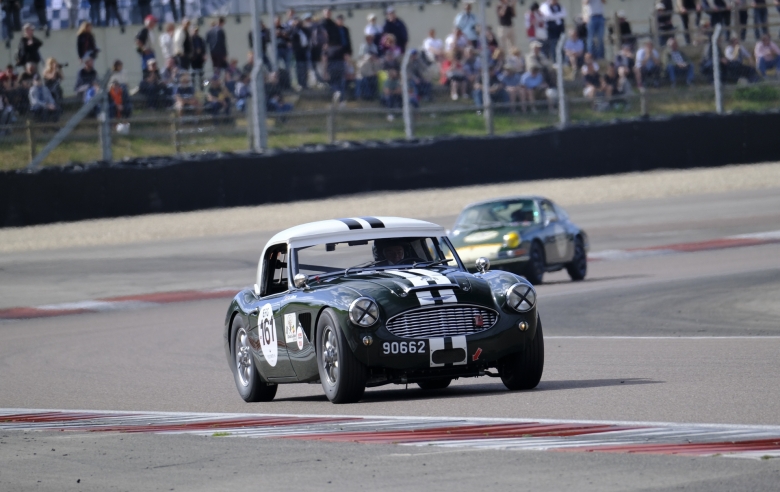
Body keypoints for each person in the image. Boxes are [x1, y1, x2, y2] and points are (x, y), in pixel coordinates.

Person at [356, 34, 380, 99]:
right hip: (364, 67)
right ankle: (366, 95)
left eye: (371, 39)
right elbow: (361, 56)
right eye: (368, 39)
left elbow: (375, 55)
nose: (370, 40)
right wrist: (368, 57)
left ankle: (373, 95)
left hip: (372, 67)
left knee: (374, 80)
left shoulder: (374, 46)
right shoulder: (363, 46)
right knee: (364, 80)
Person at [290, 17, 311, 89]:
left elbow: (308, 33)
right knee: (299, 68)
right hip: (298, 52)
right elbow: (292, 35)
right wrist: (294, 25)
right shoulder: (294, 30)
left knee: (305, 68)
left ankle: (305, 83)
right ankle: (300, 83)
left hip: (304, 50)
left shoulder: (303, 30)